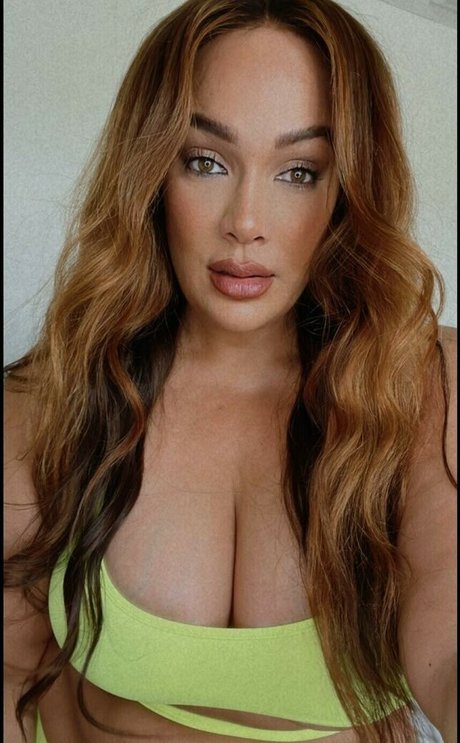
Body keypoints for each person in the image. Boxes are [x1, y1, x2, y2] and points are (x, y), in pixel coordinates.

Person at [4, 0, 456, 741]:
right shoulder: (51, 398)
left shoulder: (426, 384)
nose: (245, 220)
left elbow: (449, 633)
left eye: (299, 171)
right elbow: (12, 672)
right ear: (152, 172)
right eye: (206, 161)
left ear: (349, 190)